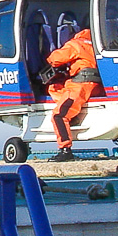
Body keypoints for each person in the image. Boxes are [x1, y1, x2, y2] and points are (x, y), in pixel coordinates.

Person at [44, 28, 101, 162]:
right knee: (56, 89)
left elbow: (55, 59)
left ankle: (65, 150)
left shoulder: (76, 44)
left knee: (59, 115)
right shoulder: (97, 45)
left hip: (81, 85)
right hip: (97, 86)